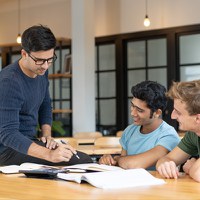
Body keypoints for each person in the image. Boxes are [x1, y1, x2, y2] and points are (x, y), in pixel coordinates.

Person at [0, 25, 92, 166]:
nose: (45, 66)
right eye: (40, 60)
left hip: (30, 142)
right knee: (80, 161)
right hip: (6, 150)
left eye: (50, 59)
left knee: (81, 159)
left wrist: (47, 135)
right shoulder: (9, 81)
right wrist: (49, 154)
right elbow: (8, 134)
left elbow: (45, 104)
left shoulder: (41, 72)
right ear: (24, 54)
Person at [99, 80, 180, 170]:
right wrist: (109, 160)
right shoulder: (129, 130)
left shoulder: (168, 135)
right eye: (132, 106)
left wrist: (117, 159)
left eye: (139, 110)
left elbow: (134, 164)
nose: (133, 113)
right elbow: (123, 166)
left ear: (157, 112)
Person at [156, 80, 200, 182]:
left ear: (198, 118)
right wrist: (166, 165)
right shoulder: (193, 134)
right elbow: (165, 159)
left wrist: (192, 166)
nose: (172, 116)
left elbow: (198, 173)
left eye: (178, 112)